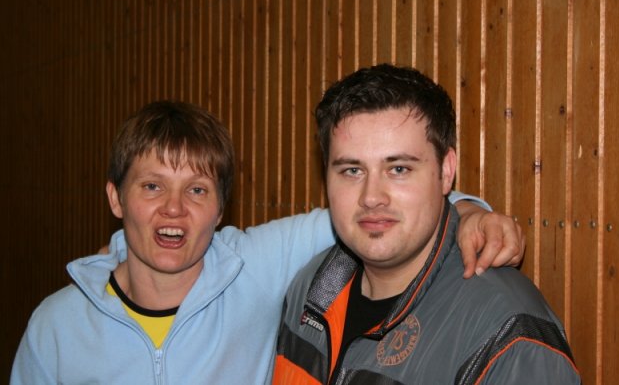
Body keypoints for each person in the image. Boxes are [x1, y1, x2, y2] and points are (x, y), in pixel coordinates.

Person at [11, 101, 523, 384]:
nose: (174, 208)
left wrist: (468, 212)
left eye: (197, 190)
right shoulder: (56, 327)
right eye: (151, 187)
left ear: (221, 209)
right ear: (116, 199)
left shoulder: (253, 264)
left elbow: (370, 212)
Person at [273, 64, 580, 384]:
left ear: (446, 172)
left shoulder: (506, 334)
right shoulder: (310, 289)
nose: (372, 197)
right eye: (352, 170)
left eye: (399, 169)